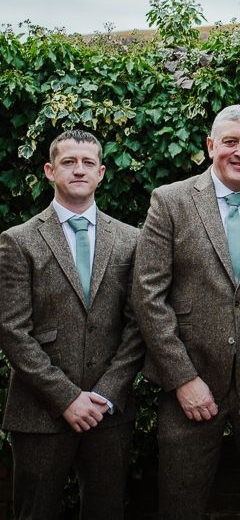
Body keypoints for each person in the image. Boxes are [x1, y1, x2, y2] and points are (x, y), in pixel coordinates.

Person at [131, 105, 240, 520]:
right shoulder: (170, 202)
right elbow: (148, 296)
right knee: (180, 504)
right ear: (211, 146)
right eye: (230, 142)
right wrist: (182, 379)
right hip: (190, 386)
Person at [0, 129, 143, 519]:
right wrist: (66, 397)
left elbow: (138, 326)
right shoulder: (18, 241)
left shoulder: (131, 240)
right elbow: (12, 330)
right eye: (68, 162)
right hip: (39, 410)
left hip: (108, 411)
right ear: (49, 170)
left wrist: (105, 394)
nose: (78, 170)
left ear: (101, 173)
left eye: (87, 163)